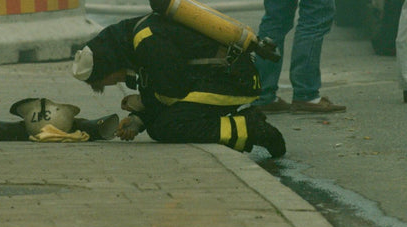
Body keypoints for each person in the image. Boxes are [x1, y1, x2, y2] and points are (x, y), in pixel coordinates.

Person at [70, 12, 286, 158]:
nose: (114, 82)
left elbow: (174, 90)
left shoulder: (146, 41)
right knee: (158, 126)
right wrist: (140, 119)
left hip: (234, 80)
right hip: (220, 77)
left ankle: (251, 128)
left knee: (170, 126)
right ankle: (245, 125)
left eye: (107, 80)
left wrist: (142, 103)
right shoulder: (131, 41)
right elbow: (163, 83)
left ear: (108, 66)